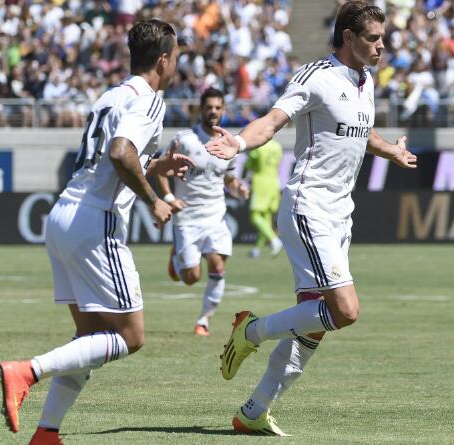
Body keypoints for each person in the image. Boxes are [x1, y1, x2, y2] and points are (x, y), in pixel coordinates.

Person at [206, 1, 417, 436]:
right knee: (344, 311)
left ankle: (253, 411)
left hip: (341, 214)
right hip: (308, 207)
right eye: (373, 38)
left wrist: (390, 150)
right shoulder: (316, 76)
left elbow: (361, 131)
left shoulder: (365, 79)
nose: (382, 45)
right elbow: (273, 121)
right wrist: (240, 144)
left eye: (382, 38)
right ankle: (252, 330)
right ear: (348, 38)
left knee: (314, 323)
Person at [0, 20, 193, 445]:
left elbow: (110, 157)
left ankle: (46, 433)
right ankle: (26, 371)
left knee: (90, 338)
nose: (176, 64)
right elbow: (121, 153)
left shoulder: (112, 94)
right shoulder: (150, 99)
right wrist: (154, 199)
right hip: (95, 221)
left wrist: (154, 167)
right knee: (130, 337)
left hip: (64, 213)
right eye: (176, 57)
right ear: (163, 60)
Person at [157, 87, 250, 337]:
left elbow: (228, 177)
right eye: (208, 107)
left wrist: (238, 187)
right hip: (187, 217)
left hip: (216, 216)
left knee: (217, 267)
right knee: (190, 278)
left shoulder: (228, 143)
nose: (213, 112)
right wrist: (168, 198)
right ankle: (177, 258)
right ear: (200, 109)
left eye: (217, 107)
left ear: (223, 110)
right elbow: (161, 170)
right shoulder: (185, 139)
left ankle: (203, 321)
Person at [242, 138, 283, 259]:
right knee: (266, 219)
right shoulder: (277, 146)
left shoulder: (258, 146)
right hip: (274, 183)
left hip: (261, 184)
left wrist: (243, 176)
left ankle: (274, 240)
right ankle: (257, 249)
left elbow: (248, 164)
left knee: (255, 217)